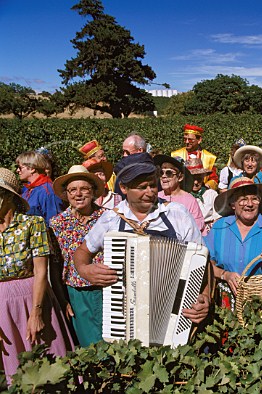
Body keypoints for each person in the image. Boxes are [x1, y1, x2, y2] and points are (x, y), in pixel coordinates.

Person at [73, 153, 209, 325]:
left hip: (175, 310)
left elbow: (202, 260)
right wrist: (84, 269)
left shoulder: (177, 214)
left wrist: (204, 296)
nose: (149, 192)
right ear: (123, 188)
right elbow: (82, 252)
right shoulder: (111, 219)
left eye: (152, 185)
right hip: (124, 311)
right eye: (141, 187)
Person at [0, 168, 73, 385]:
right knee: (15, 370)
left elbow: (42, 271)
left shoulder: (32, 224)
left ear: (10, 196)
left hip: (32, 296)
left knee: (48, 362)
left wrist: (36, 312)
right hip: (2, 304)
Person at [206, 177, 262, 309]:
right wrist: (225, 274)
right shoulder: (220, 227)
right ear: (232, 204)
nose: (249, 204)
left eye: (254, 198)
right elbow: (206, 265)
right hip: (225, 304)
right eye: (243, 199)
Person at [50, 165, 106, 347]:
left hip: (108, 289)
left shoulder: (107, 218)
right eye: (73, 190)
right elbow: (55, 266)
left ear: (94, 192)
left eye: (84, 189)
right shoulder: (57, 223)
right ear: (66, 194)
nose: (78, 194)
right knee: (89, 346)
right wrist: (62, 299)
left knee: (113, 342)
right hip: (77, 293)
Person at [154, 154, 206, 235]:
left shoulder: (189, 200)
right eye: (161, 172)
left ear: (180, 177)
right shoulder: (155, 196)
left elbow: (197, 227)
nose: (163, 176)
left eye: (169, 173)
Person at [16, 150, 64, 224]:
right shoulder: (28, 190)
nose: (17, 170)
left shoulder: (48, 191)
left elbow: (54, 222)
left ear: (32, 169)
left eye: (20, 167)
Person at [171, 124, 218, 190]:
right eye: (185, 139)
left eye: (190, 140)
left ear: (199, 140)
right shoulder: (176, 155)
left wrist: (205, 187)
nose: (187, 142)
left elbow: (214, 179)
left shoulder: (209, 157)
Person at [186, 158, 221, 233]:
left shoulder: (211, 194)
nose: (195, 182)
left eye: (199, 179)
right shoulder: (184, 195)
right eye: (192, 179)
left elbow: (217, 217)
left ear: (203, 178)